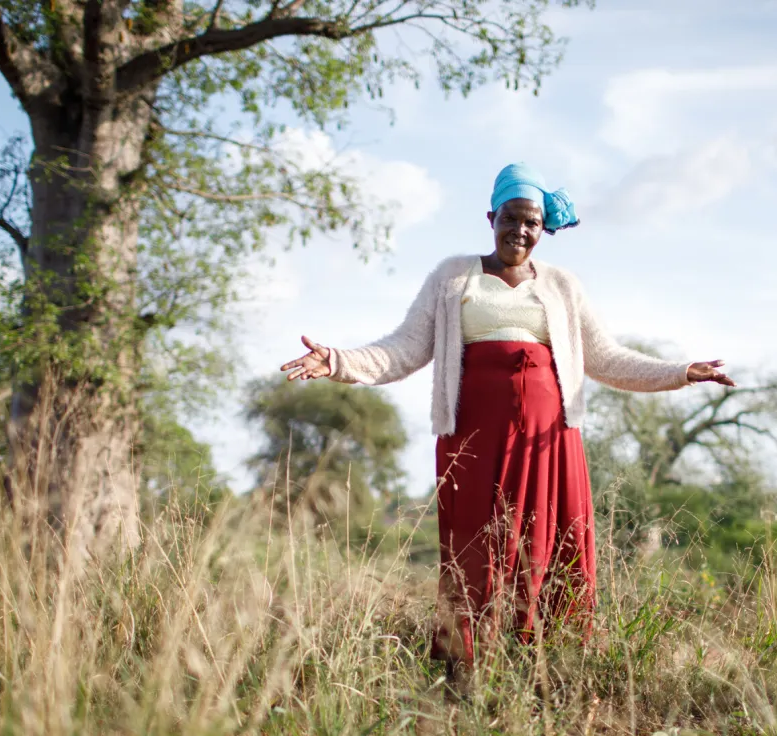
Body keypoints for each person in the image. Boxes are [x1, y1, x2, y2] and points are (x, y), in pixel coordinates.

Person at [281, 163, 735, 670]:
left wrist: (681, 372)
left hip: (549, 439)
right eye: (511, 218)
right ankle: (464, 665)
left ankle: (549, 663)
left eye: (532, 223)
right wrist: (338, 361)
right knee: (476, 545)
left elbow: (605, 358)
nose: (520, 230)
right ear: (491, 216)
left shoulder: (562, 286)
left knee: (549, 545)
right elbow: (405, 348)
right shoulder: (453, 277)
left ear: (543, 229)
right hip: (474, 437)